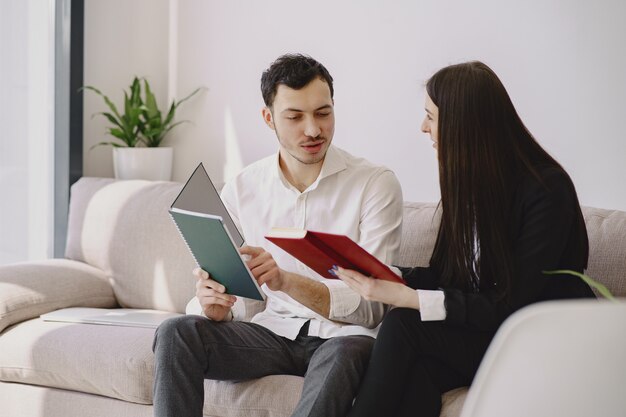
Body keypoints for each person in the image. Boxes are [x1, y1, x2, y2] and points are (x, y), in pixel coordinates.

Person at [335, 61, 595, 417]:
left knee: (403, 324)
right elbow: (449, 275)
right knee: (416, 373)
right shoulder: (470, 190)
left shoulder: (547, 190)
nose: (423, 127)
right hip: (488, 333)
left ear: (462, 124)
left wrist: (407, 297)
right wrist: (384, 272)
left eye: (431, 116)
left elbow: (510, 304)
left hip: (537, 340)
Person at [152, 53, 403, 417]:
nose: (313, 130)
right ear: (269, 118)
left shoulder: (374, 184)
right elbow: (245, 301)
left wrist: (286, 281)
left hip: (342, 339)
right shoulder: (242, 188)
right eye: (295, 117)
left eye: (323, 113)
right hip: (272, 334)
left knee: (347, 351)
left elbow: (374, 305)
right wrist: (216, 308)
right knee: (176, 332)